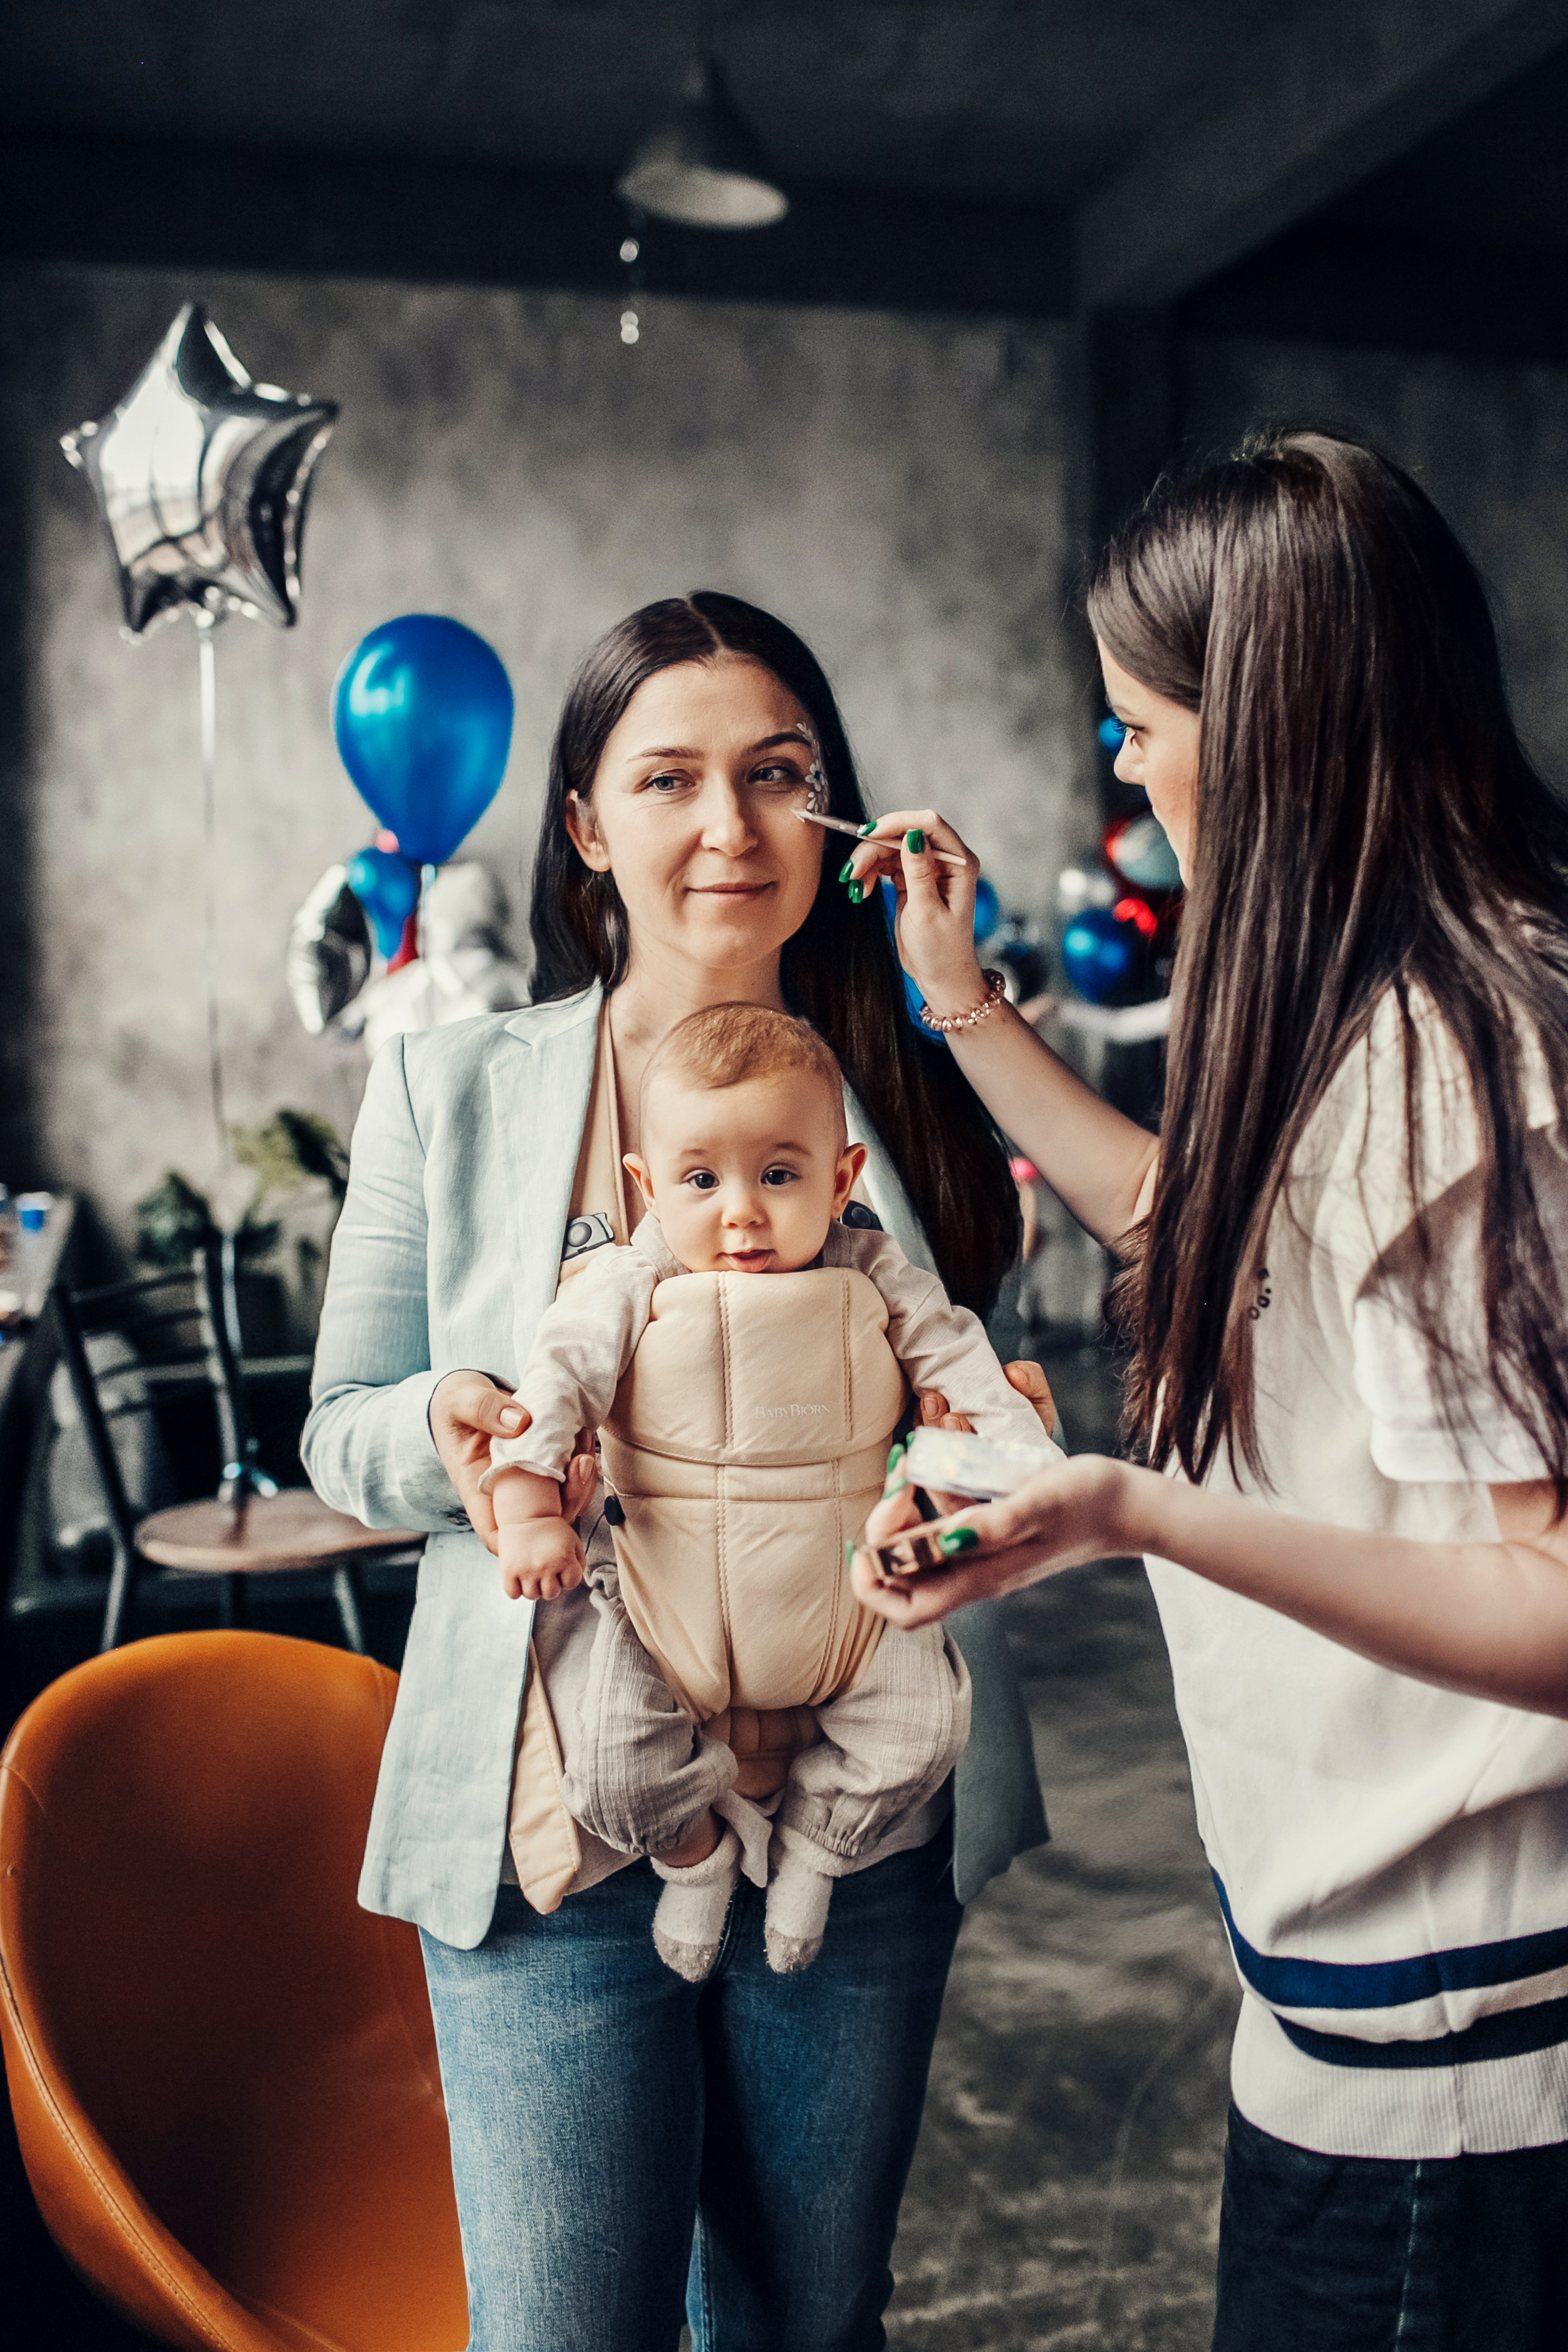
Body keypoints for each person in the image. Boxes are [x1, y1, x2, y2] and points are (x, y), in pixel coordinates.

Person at [841, 432, 1568, 2349]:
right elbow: (1213, 1218)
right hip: (1355, 2011)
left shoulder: (1446, 1056)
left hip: (1463, 2070)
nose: (1127, 767)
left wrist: (1133, 1505)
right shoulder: (1371, 1002)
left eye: (1140, 722)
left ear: (1260, 724)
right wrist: (966, 1001)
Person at [302, 591, 1054, 2352]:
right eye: (670, 778)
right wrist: (460, 1419)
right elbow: (341, 1426)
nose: (730, 825)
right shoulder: (447, 1085)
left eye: (780, 774)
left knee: (810, 2317)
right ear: (584, 823)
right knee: (572, 2326)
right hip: (552, 1805)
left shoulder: (916, 1090)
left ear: (838, 816)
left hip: (851, 1804)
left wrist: (966, 1463)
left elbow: (968, 1401)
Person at [484, 999, 1061, 1982]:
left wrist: (1021, 1471)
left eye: (780, 1174)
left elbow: (965, 1364)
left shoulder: (882, 1275)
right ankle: (694, 1853)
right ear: (649, 1186)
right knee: (611, 1758)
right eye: (701, 1179)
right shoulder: (624, 1284)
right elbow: (557, 1378)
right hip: (671, 1623)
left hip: (851, 1606)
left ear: (842, 1179)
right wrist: (532, 1502)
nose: (742, 1210)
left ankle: (818, 1849)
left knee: (924, 1725)